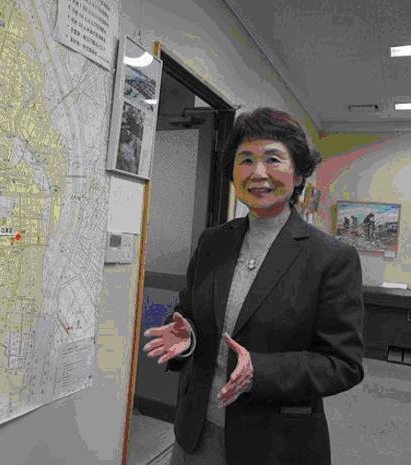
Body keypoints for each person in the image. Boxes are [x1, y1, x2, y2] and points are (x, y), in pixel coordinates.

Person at [142, 107, 365, 465]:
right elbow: (187, 312)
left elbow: (342, 363)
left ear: (299, 172)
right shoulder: (213, 242)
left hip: (275, 444)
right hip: (197, 431)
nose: (257, 173)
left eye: (273, 159)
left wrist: (260, 371)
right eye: (245, 160)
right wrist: (187, 339)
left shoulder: (331, 258)